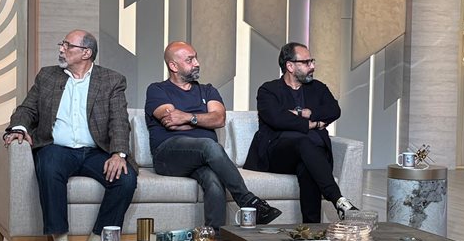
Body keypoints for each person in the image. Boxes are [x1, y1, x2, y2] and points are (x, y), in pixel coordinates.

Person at [4, 29, 137, 241]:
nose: (61, 49)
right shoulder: (48, 76)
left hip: (95, 151)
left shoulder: (111, 80)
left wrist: (118, 153)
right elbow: (27, 109)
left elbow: (119, 120)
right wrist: (19, 128)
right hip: (58, 148)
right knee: (48, 166)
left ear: (86, 53)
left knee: (126, 178)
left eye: (67, 45)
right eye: (62, 44)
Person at [145, 41, 281, 229]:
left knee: (214, 180)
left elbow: (219, 119)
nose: (197, 63)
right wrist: (202, 120)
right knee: (209, 145)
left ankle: (214, 235)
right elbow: (171, 120)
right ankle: (248, 200)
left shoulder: (208, 90)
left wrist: (188, 118)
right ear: (173, 66)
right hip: (169, 156)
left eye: (196, 58)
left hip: (203, 159)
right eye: (190, 60)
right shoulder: (157, 89)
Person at [244, 42, 356, 223]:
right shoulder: (268, 90)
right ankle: (338, 199)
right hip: (278, 155)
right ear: (290, 66)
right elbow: (276, 118)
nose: (312, 66)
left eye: (312, 61)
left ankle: (311, 231)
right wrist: (313, 124)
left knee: (307, 166)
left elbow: (334, 110)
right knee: (304, 142)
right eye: (306, 62)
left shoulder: (318, 88)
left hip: (310, 155)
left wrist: (306, 113)